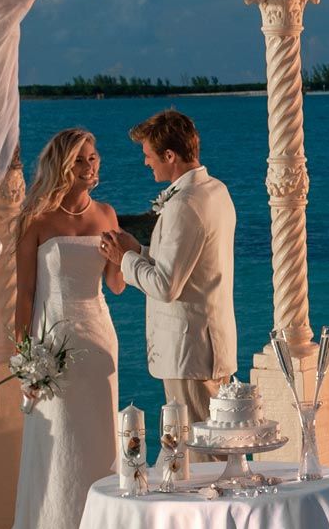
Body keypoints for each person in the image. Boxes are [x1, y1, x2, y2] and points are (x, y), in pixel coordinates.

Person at [0, 128, 124, 529]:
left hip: (99, 340)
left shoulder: (107, 214)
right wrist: (25, 361)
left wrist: (125, 255)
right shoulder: (36, 220)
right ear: (63, 164)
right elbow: (25, 296)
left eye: (95, 157)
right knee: (61, 447)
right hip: (54, 346)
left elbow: (116, 285)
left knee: (100, 444)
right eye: (82, 160)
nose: (91, 166)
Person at [99, 109, 237, 440]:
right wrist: (143, 250)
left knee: (202, 452)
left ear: (170, 155)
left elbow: (165, 286)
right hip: (208, 345)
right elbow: (192, 266)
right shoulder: (216, 190)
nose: (147, 163)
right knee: (213, 445)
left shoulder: (184, 204)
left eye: (149, 156)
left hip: (189, 353)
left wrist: (126, 258)